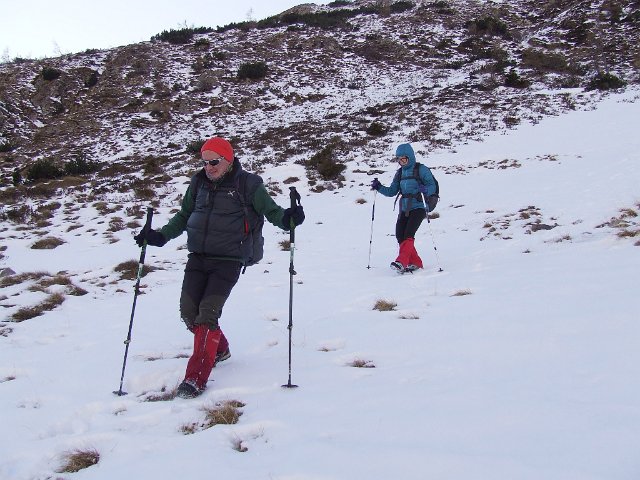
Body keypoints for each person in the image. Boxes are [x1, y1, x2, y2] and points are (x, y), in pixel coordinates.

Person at [134, 136, 305, 398]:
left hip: (229, 259)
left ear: (228, 159)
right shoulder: (198, 183)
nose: (209, 167)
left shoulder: (249, 184)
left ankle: (195, 378)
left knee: (207, 314)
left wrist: (288, 219)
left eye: (214, 162)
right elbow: (184, 216)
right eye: (204, 162)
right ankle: (220, 349)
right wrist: (160, 236)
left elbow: (271, 212)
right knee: (189, 313)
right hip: (198, 257)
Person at [370, 143, 437, 273]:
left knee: (408, 234)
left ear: (410, 157)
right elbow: (392, 191)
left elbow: (432, 186)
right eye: (399, 159)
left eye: (403, 159)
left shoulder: (421, 169)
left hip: (419, 206)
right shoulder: (400, 173)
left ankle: (402, 261)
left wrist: (425, 190)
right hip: (404, 207)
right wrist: (379, 187)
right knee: (400, 235)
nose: (401, 162)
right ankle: (416, 262)